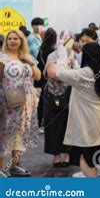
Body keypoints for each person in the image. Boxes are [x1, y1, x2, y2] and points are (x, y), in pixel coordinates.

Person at [56, 43, 100, 178]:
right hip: (98, 121)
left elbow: (60, 73)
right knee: (94, 154)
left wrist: (62, 54)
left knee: (84, 156)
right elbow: (85, 80)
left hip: (84, 122)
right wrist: (75, 66)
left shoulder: (86, 73)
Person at [0, 30, 41, 177]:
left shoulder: (26, 57)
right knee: (5, 134)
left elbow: (38, 75)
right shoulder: (2, 58)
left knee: (20, 134)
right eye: (9, 39)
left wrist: (29, 60)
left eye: (15, 38)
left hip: (26, 100)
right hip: (9, 101)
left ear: (21, 40)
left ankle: (14, 165)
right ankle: (2, 168)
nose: (12, 41)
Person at [42, 38, 71, 168]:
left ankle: (68, 155)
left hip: (70, 95)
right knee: (53, 126)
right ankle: (57, 156)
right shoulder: (53, 56)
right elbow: (53, 74)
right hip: (52, 96)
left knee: (68, 125)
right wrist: (71, 73)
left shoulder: (73, 55)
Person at [35, 28, 58, 133]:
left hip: (43, 79)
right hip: (51, 79)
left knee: (41, 102)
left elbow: (39, 63)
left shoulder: (41, 49)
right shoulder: (54, 51)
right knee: (51, 101)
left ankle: (39, 124)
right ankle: (48, 124)